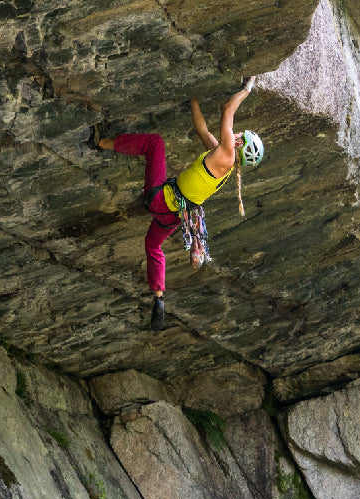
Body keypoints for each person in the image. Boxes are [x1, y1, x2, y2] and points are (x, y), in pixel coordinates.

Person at [91, 77, 264, 331]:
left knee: (155, 144)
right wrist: (193, 99)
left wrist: (247, 89)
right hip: (174, 216)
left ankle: (101, 142)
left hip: (161, 199)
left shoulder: (226, 153)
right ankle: (159, 297)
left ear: (239, 144)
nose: (237, 133)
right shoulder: (224, 163)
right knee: (152, 244)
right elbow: (203, 131)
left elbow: (228, 109)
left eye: (240, 135)